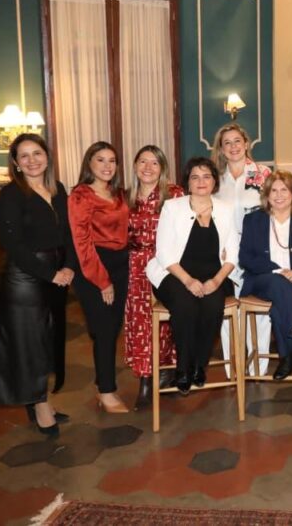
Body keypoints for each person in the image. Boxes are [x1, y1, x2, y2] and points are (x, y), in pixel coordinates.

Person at [0, 134, 77, 437]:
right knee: (30, 344)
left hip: (56, 274)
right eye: (24, 156)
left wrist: (68, 266)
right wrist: (49, 273)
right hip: (24, 278)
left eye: (37, 153)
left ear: (47, 156)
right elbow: (13, 245)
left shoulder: (58, 190)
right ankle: (40, 406)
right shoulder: (10, 195)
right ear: (15, 162)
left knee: (48, 340)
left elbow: (68, 234)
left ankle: (38, 398)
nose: (32, 160)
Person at [146, 158, 239, 395]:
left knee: (212, 306)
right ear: (187, 182)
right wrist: (188, 281)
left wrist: (217, 281)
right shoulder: (172, 207)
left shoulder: (226, 209)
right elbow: (164, 253)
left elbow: (233, 252)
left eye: (207, 176)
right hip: (174, 274)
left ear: (214, 181)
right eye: (195, 177)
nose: (201, 181)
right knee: (185, 305)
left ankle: (200, 364)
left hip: (213, 275)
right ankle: (183, 368)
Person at [240, 171, 292, 379]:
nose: (278, 195)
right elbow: (245, 258)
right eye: (273, 191)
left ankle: (288, 355)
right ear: (266, 195)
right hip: (263, 280)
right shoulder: (253, 219)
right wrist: (279, 271)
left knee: (283, 301)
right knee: (279, 283)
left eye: (284, 190)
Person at [69, 141, 131, 413]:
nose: (107, 166)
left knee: (111, 328)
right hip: (94, 266)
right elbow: (81, 241)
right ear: (89, 164)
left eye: (112, 160)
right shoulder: (80, 196)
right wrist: (102, 280)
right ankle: (106, 391)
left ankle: (103, 384)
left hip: (121, 264)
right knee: (105, 330)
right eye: (100, 160)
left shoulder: (119, 195)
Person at [125, 146, 184, 410]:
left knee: (167, 322)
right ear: (135, 165)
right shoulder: (124, 197)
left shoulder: (174, 195)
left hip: (166, 265)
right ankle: (146, 381)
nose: (148, 168)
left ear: (163, 168)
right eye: (142, 162)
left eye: (154, 163)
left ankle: (169, 371)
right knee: (142, 324)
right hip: (134, 267)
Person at [212, 123, 272, 375]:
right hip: (225, 252)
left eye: (237, 141)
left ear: (246, 143)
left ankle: (258, 366)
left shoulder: (263, 174)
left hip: (258, 250)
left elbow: (275, 211)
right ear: (221, 149)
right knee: (228, 308)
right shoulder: (216, 179)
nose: (233, 146)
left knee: (259, 308)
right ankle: (232, 367)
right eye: (227, 142)